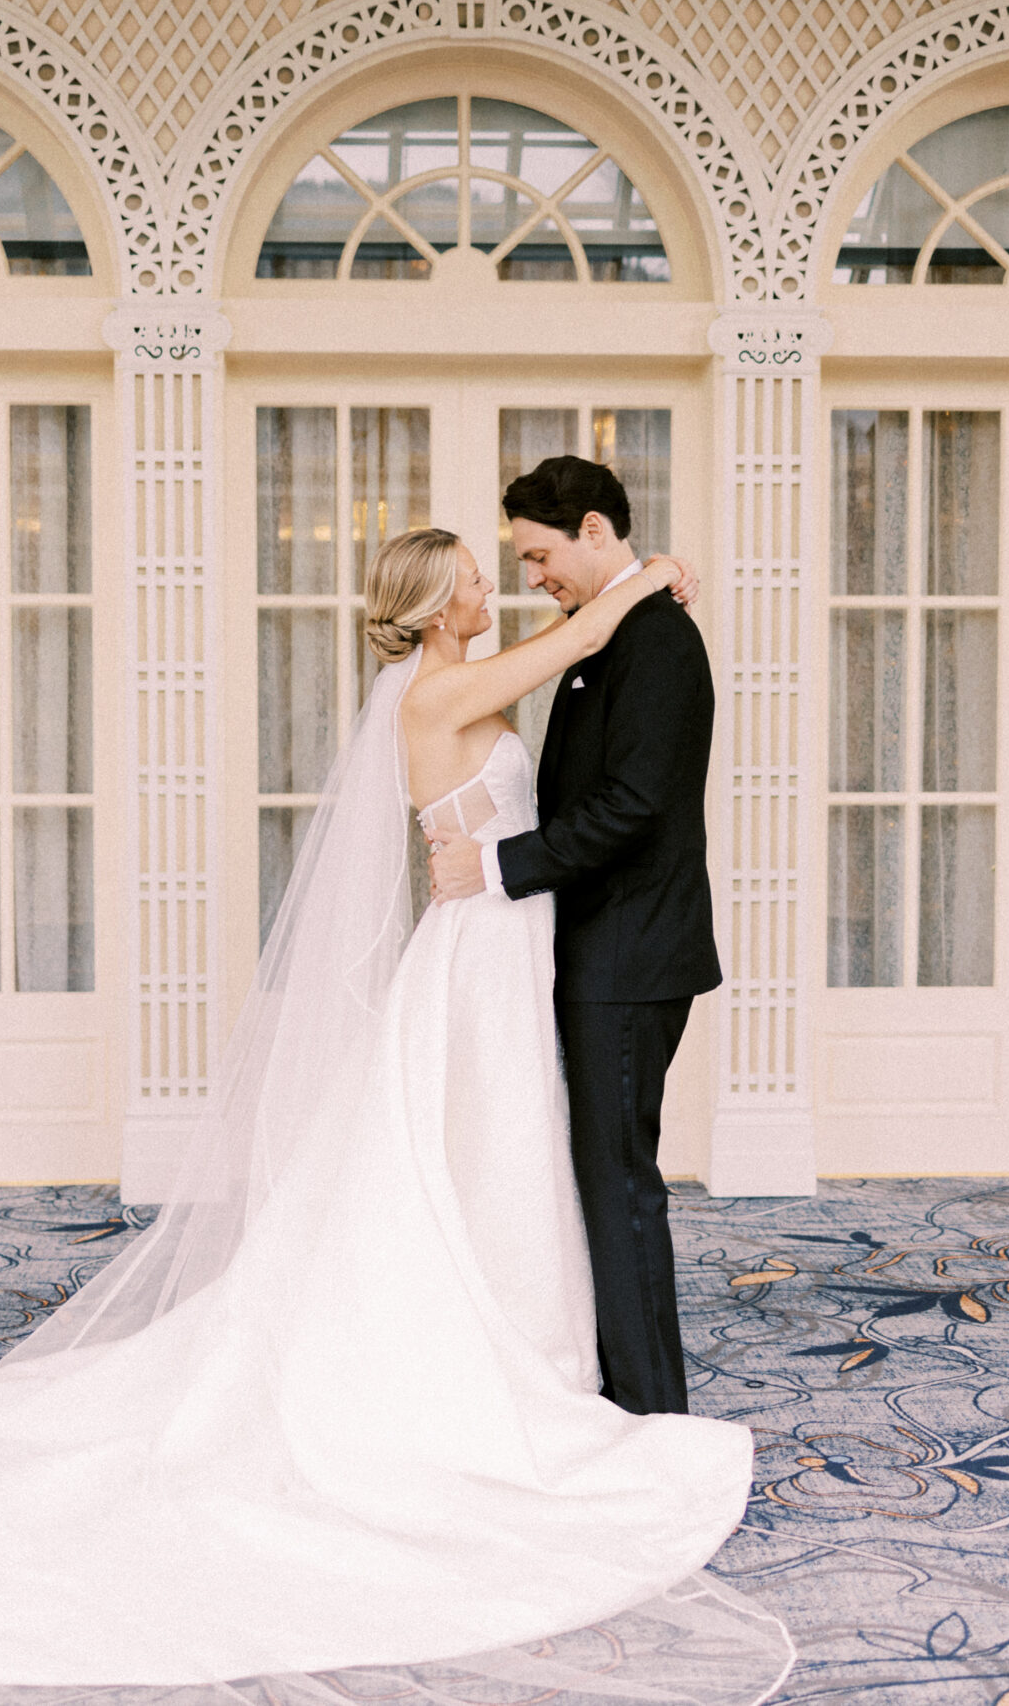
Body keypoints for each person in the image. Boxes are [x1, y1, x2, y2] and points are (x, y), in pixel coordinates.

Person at [0, 526, 791, 1703]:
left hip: (500, 949)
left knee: (495, 1152)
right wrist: (651, 577)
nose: (495, 587)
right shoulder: (443, 692)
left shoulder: (448, 676)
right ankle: (481, 1371)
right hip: (479, 956)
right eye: (477, 580)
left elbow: (569, 641)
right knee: (474, 1146)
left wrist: (644, 582)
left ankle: (527, 1347)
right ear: (438, 609)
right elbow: (583, 632)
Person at [428, 455, 720, 1419]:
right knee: (593, 1178)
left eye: (540, 554)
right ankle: (620, 1385)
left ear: (594, 530)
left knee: (619, 1186)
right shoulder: (607, 630)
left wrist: (499, 866)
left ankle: (654, 1413)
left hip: (631, 958)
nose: (531, 575)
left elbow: (633, 806)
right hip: (593, 950)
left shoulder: (660, 644)